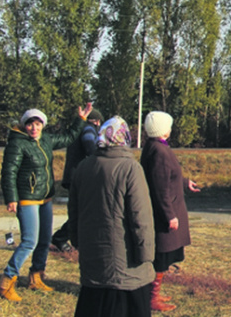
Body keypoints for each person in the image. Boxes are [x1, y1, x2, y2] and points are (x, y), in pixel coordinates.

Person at [0, 103, 94, 301]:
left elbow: (69, 137)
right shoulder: (17, 143)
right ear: (25, 125)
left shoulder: (46, 140)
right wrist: (11, 198)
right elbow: (9, 172)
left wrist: (81, 119)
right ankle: (6, 282)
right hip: (27, 199)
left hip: (45, 197)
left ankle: (36, 276)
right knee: (29, 241)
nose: (34, 128)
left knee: (43, 240)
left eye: (38, 124)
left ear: (43, 125)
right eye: (31, 124)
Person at [70, 116, 155, 317]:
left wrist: (76, 241)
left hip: (93, 259)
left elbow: (73, 211)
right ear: (125, 137)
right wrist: (147, 254)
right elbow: (140, 216)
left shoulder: (83, 167)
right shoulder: (130, 168)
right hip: (126, 263)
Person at [140, 111, 200, 312]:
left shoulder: (155, 147)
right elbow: (159, 187)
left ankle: (153, 293)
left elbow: (166, 177)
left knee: (162, 257)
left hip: (166, 210)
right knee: (161, 257)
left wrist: (184, 182)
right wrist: (170, 215)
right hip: (165, 214)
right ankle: (151, 298)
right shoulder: (159, 151)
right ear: (162, 129)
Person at [50, 108, 104, 252]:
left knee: (80, 211)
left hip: (73, 174)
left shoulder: (82, 128)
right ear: (97, 121)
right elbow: (89, 145)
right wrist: (99, 155)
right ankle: (61, 238)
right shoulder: (88, 129)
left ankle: (67, 238)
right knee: (82, 211)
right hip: (80, 177)